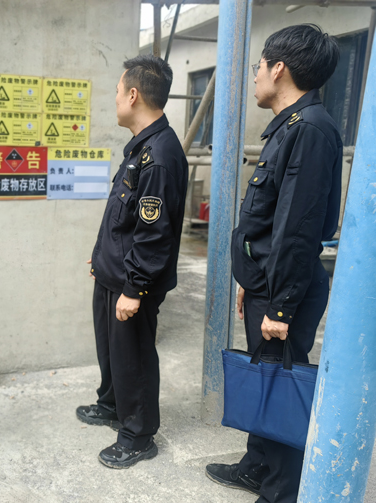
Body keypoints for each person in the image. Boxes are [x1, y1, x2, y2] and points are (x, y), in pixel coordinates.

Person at [205, 24, 341, 503]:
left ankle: (280, 492)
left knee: (280, 385)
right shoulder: (289, 126)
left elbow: (298, 229)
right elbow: (269, 225)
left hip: (286, 291)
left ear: (278, 68)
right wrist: (252, 278)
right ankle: (256, 468)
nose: (256, 75)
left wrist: (280, 306)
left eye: (258, 66)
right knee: (266, 377)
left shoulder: (309, 131)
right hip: (269, 283)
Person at [76, 55, 188, 469]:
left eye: (118, 91)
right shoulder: (140, 148)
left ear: (134, 94)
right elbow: (123, 219)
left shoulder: (159, 155)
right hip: (113, 274)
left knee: (134, 358)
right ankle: (112, 405)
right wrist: (101, 256)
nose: (115, 98)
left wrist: (135, 288)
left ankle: (138, 435)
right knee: (112, 353)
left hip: (132, 283)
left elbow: (154, 235)